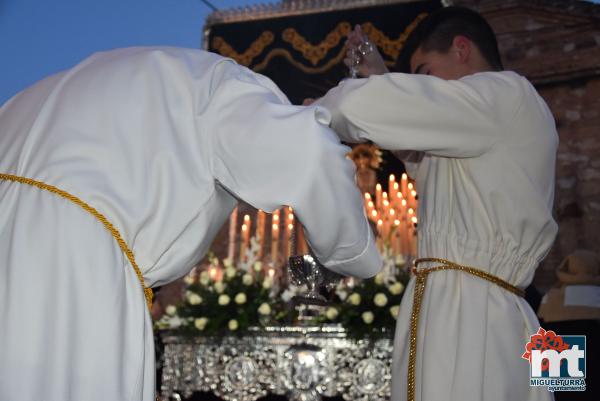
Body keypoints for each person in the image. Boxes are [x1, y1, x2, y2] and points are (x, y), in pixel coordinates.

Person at [0, 47, 382, 401]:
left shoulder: (115, 78)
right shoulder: (232, 86)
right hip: (75, 261)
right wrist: (356, 257)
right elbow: (310, 151)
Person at [310, 6, 558, 401]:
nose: (425, 86)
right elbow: (418, 153)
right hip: (469, 302)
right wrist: (379, 77)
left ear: (462, 49)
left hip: (471, 313)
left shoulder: (505, 93)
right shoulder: (483, 125)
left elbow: (359, 108)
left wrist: (307, 117)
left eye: (425, 73)